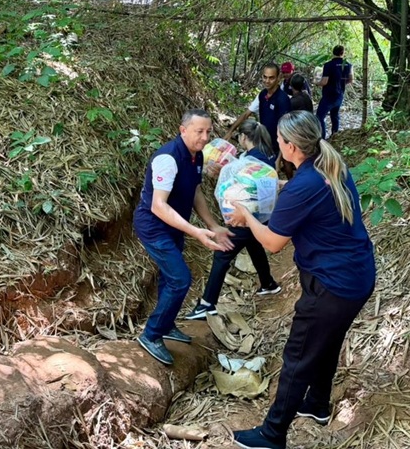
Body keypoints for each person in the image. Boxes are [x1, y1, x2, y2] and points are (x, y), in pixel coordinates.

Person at [228, 111, 375, 449]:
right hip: (356, 276)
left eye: (279, 140)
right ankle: (318, 404)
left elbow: (273, 242)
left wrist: (246, 214)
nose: (276, 144)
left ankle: (272, 433)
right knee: (328, 340)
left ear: (291, 146)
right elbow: (302, 193)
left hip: (333, 285)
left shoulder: (305, 184)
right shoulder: (328, 166)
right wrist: (275, 187)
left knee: (299, 353)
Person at [133, 109, 234, 366]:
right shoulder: (168, 158)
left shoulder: (196, 156)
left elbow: (195, 190)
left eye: (208, 131)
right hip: (154, 226)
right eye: (199, 131)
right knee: (180, 279)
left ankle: (165, 325)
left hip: (173, 225)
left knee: (172, 276)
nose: (204, 137)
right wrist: (196, 231)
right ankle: (151, 334)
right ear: (183, 130)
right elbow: (158, 206)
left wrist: (212, 224)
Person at [185, 119, 280, 320]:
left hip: (244, 217)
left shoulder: (250, 161)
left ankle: (207, 304)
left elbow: (241, 188)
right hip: (261, 217)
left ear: (244, 137)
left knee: (222, 253)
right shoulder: (266, 156)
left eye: (240, 138)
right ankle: (268, 283)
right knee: (254, 245)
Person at [225, 62, 291, 155]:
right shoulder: (263, 94)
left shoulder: (282, 99)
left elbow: (286, 130)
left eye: (271, 78)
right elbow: (246, 114)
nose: (267, 81)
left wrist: (281, 156)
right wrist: (230, 131)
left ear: (278, 78)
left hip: (278, 146)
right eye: (265, 77)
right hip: (263, 143)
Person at [314, 45, 353, 139]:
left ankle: (322, 138)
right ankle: (334, 136)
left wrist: (316, 83)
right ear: (343, 53)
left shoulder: (328, 65)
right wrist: (341, 82)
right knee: (334, 115)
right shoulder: (348, 65)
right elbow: (351, 79)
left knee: (319, 117)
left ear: (333, 52)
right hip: (340, 94)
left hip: (329, 95)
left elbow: (324, 81)